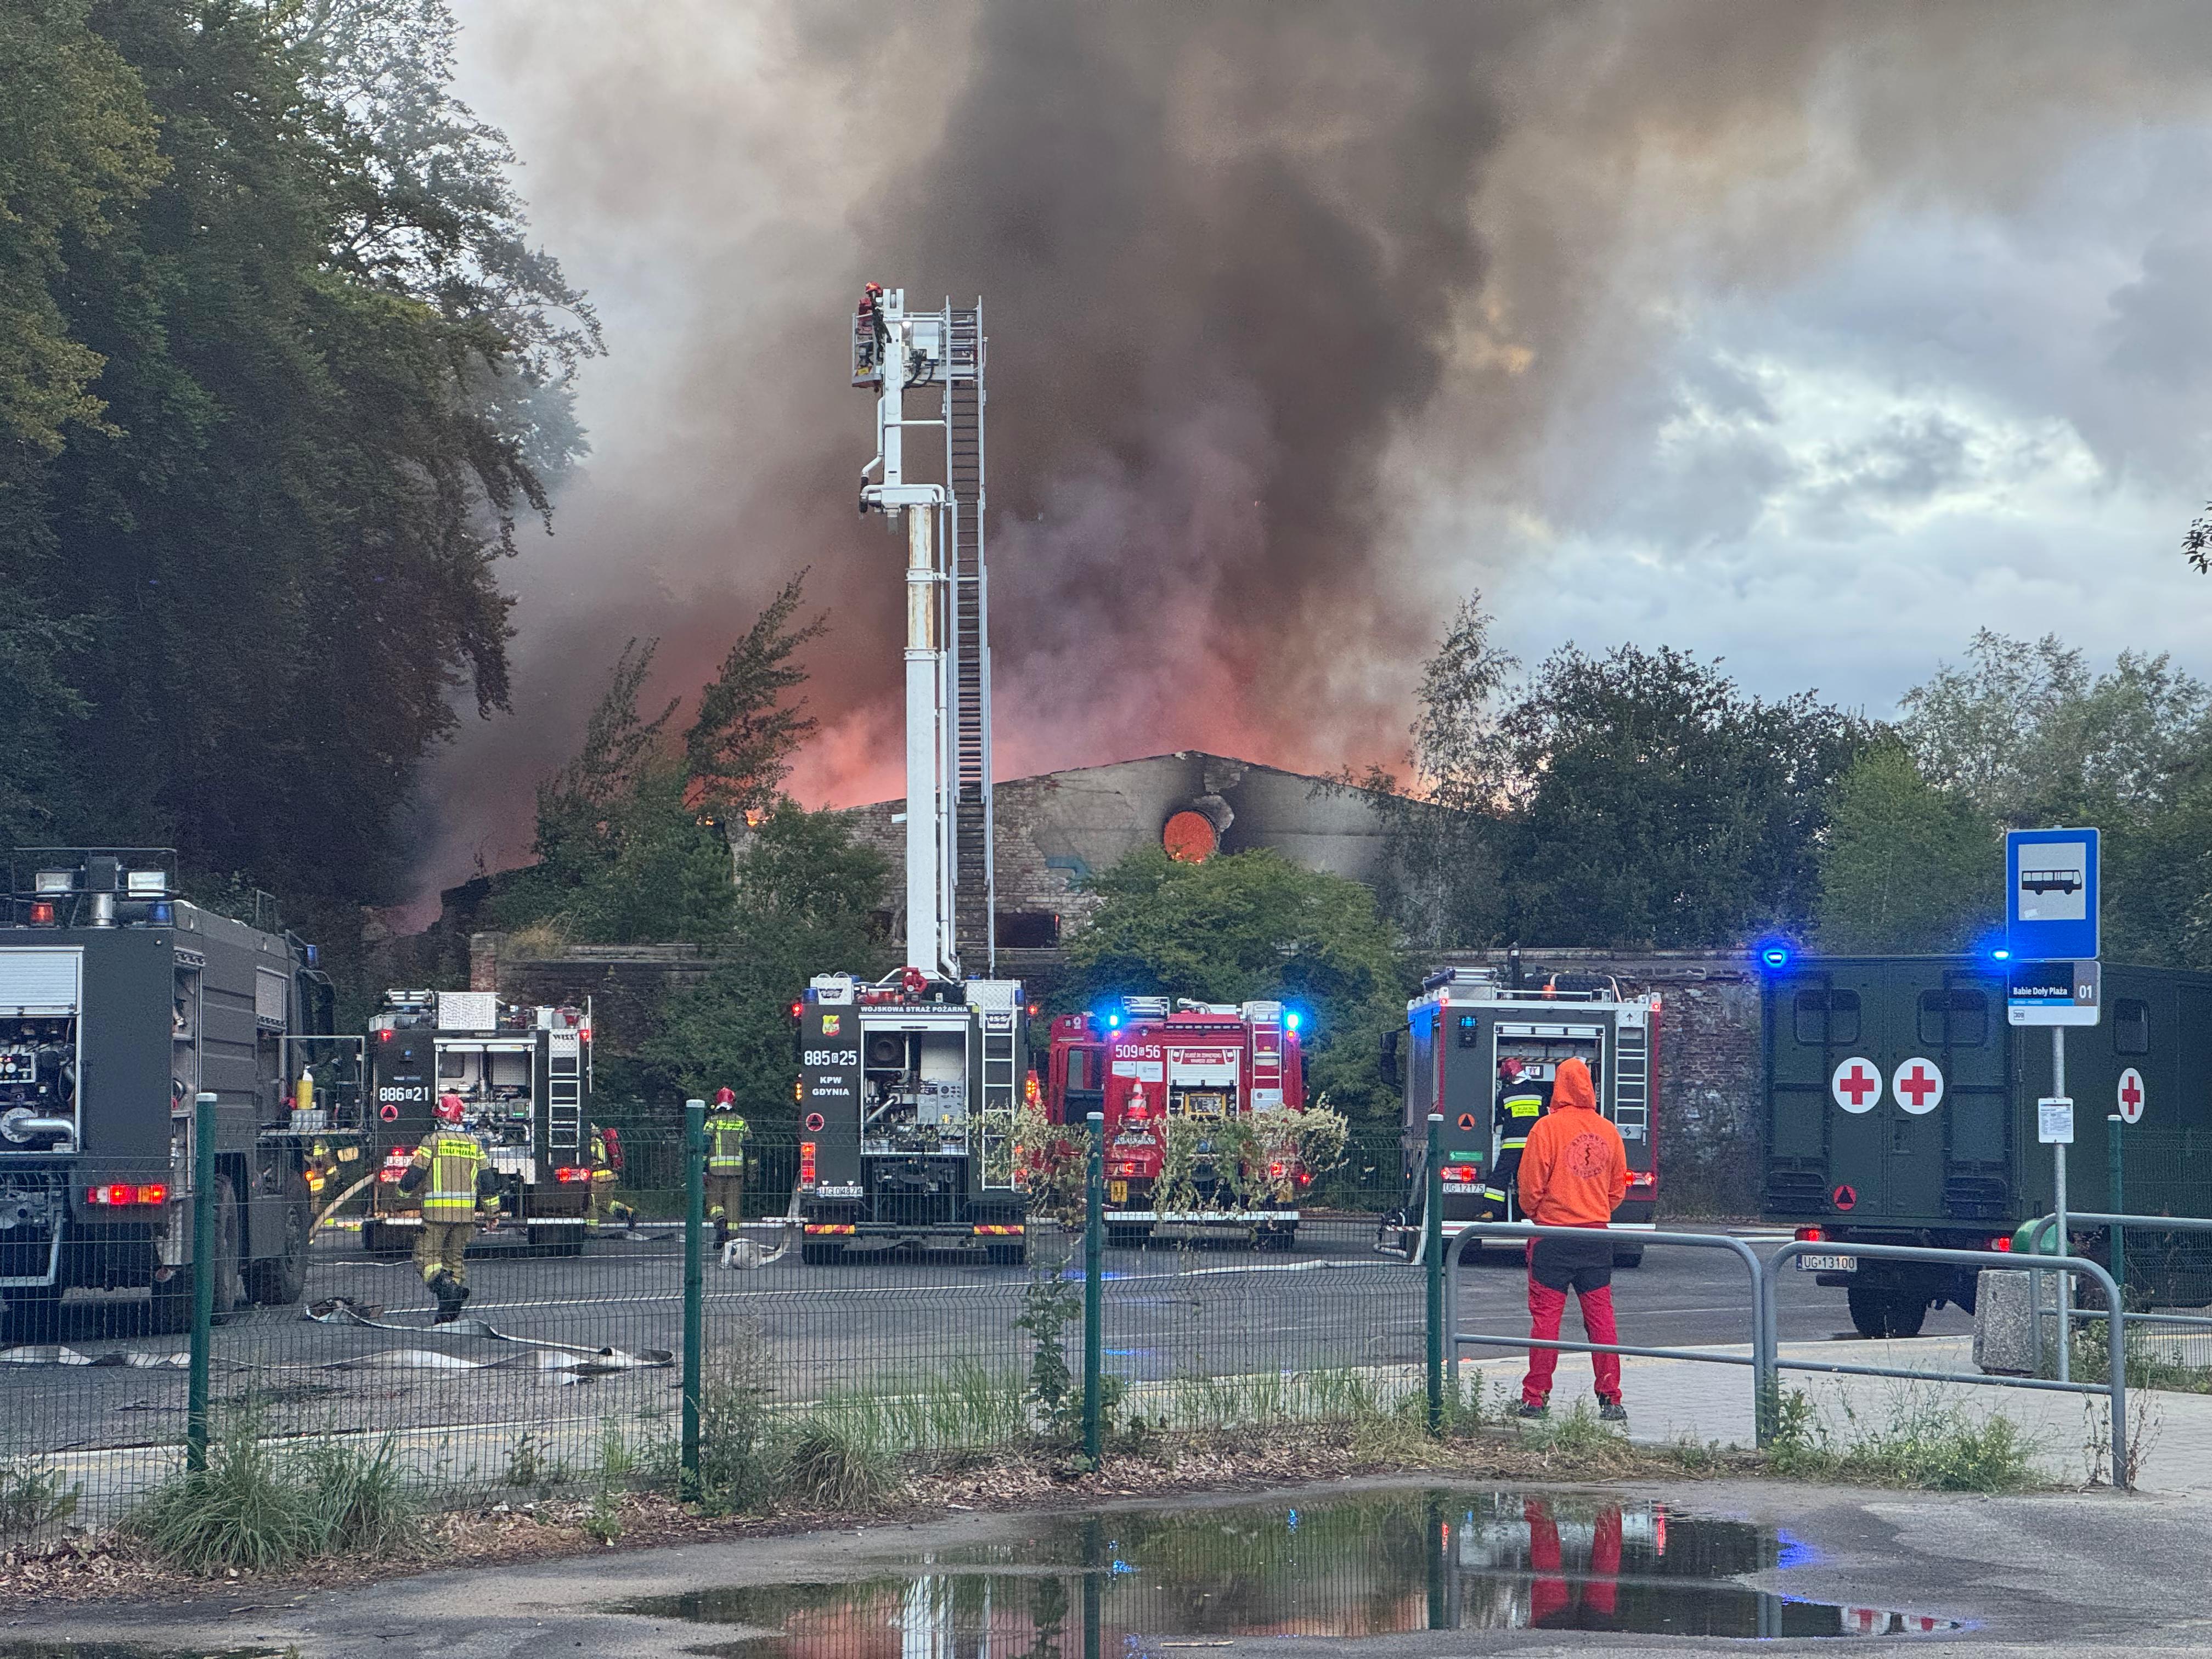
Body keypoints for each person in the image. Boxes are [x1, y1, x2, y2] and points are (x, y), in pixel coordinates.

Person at [1514, 1055, 1629, 1423]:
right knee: (1602, 1321)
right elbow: (1617, 1190)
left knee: (1546, 1321)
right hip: (1596, 1238)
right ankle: (1611, 1399)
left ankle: (1535, 1399)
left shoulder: (1545, 1130)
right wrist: (1595, 1209)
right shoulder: (1608, 1131)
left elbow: (1530, 1187)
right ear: (1590, 1087)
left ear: (1559, 1087)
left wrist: (1540, 1215)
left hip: (1553, 1236)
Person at [397, 1092, 500, 1322]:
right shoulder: (474, 1144)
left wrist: (401, 1194)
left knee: (426, 1257)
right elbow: (487, 1181)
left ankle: (446, 1290)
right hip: (466, 1217)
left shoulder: (432, 1141)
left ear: (441, 1116)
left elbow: (415, 1174)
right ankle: (448, 1314)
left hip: (437, 1215)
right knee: (455, 1261)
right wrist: (492, 1213)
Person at [1480, 1058, 1544, 1222]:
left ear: (1509, 1077)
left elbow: (1499, 1116)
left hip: (1511, 1146)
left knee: (1500, 1177)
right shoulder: (1538, 1093)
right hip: (1533, 1146)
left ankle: (1490, 1211)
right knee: (1533, 1179)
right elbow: (1545, 1119)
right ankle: (1537, 1213)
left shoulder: (1505, 1094)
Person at [703, 1087, 751, 1246]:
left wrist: (702, 1168)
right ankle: (733, 1240)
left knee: (713, 1202)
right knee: (733, 1206)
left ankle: (719, 1220)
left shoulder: (712, 1122)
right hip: (736, 1171)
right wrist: (752, 1170)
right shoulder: (741, 1122)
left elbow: (704, 1145)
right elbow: (750, 1147)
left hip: (716, 1171)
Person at [586, 1122, 634, 1231]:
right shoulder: (601, 1140)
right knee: (606, 1203)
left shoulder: (592, 1142)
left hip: (599, 1178)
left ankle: (592, 1231)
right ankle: (628, 1212)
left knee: (591, 1202)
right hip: (609, 1176)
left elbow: (589, 1156)